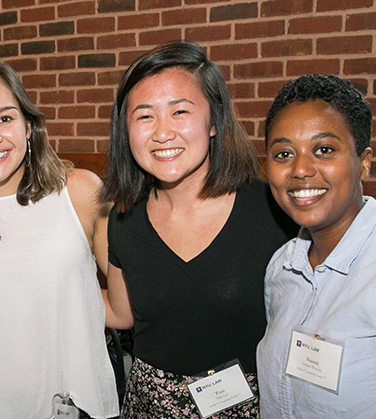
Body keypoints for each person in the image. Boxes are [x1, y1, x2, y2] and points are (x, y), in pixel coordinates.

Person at [101, 41, 298, 418]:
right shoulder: (124, 219)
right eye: (144, 117)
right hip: (149, 407)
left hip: (247, 407)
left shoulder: (273, 211)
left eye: (180, 111)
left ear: (213, 121)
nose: (162, 133)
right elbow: (122, 313)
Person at [0, 60, 119, 419]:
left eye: (4, 118)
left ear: (28, 126)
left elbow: (129, 303)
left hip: (78, 408)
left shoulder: (82, 193)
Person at [256, 74, 376, 418]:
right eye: (284, 153)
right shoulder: (280, 267)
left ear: (364, 161)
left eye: (324, 150)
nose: (301, 169)